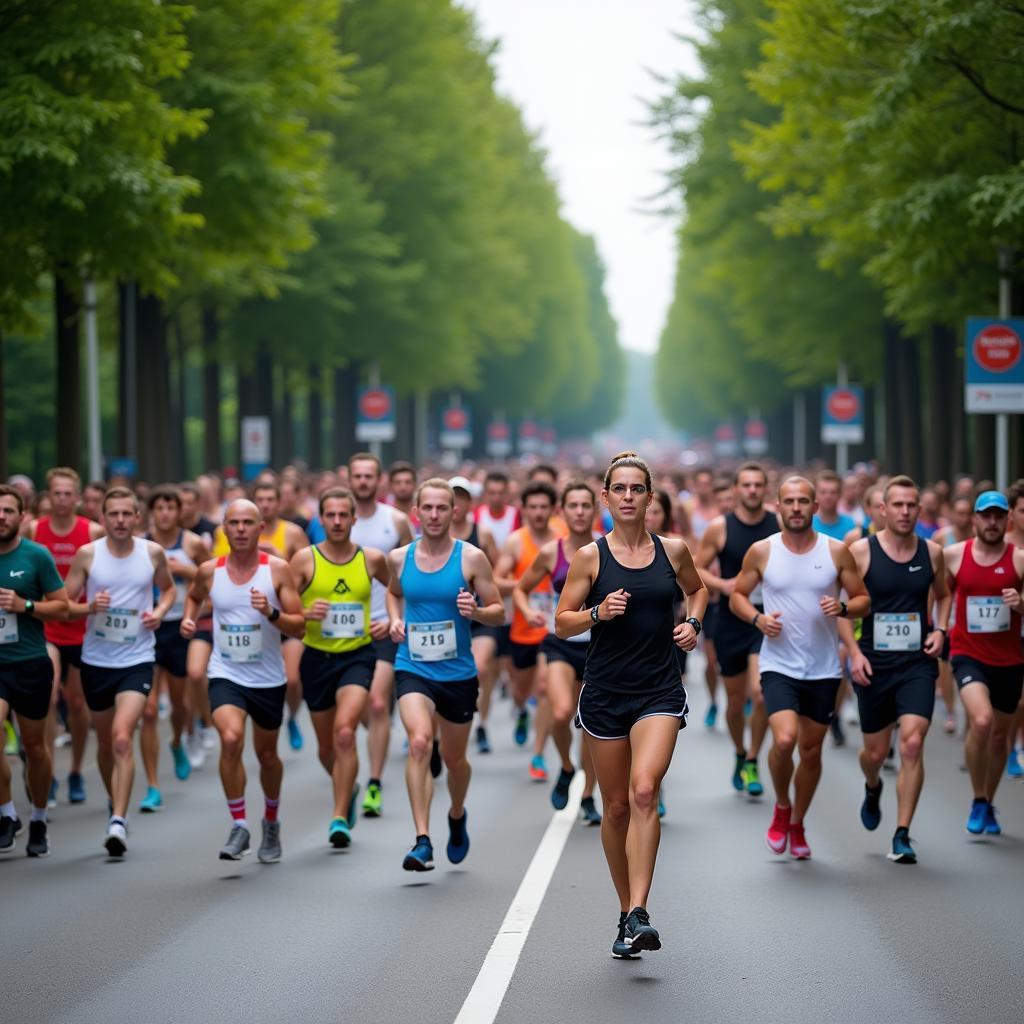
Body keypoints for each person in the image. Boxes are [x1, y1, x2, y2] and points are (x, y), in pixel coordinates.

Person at [556, 452, 706, 957]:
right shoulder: (589, 558)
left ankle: (640, 910)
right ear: (605, 497)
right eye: (618, 489)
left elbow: (698, 591)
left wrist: (693, 624)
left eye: (636, 489)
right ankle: (625, 913)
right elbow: (562, 621)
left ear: (649, 497)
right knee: (615, 806)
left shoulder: (674, 550)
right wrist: (597, 612)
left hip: (659, 689)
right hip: (603, 693)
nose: (626, 496)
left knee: (645, 791)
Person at [731, 476, 869, 860]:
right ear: (779, 506)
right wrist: (758, 621)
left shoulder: (837, 550)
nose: (796, 508)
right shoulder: (763, 551)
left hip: (823, 669)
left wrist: (842, 608)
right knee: (786, 740)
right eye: (789, 501)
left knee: (810, 752)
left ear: (814, 506)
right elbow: (737, 597)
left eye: (802, 501)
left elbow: (862, 600)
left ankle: (798, 822)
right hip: (778, 664)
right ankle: (781, 806)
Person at [386, 478, 504, 871]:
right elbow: (392, 591)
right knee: (420, 742)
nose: (434, 515)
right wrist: (393, 620)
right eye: (428, 508)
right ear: (416, 513)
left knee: (454, 760)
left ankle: (456, 813)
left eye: (442, 508)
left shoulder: (470, 558)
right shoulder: (399, 558)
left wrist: (477, 612)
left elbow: (499, 611)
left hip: (457, 672)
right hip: (412, 666)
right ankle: (422, 839)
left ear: (454, 512)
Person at [181, 499, 305, 862]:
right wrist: (190, 620)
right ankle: (239, 824)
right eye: (233, 523)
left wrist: (270, 612)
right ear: (223, 527)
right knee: (231, 739)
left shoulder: (277, 571)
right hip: (226, 673)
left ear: (260, 527)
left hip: (267, 677)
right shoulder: (209, 570)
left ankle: (270, 820)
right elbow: (194, 597)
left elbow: (299, 625)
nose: (239, 529)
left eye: (247, 523)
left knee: (267, 755)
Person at [840, 476, 950, 863]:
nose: (905, 512)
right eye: (897, 505)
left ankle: (902, 833)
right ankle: (873, 786)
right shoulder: (861, 552)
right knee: (874, 753)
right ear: (882, 510)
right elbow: (841, 607)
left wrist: (940, 628)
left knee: (913, 743)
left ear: (920, 510)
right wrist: (853, 653)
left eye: (911, 505)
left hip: (917, 662)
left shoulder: (933, 552)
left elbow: (944, 593)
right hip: (874, 663)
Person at [64, 487, 177, 856]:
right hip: (97, 660)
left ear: (137, 518)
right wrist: (89, 607)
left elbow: (169, 591)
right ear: (103, 517)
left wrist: (158, 614)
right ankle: (118, 804)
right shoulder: (87, 555)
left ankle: (117, 820)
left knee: (122, 737)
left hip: (137, 658)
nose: (121, 521)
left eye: (127, 514)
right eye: (113, 514)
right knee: (106, 745)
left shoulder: (152, 553)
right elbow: (64, 603)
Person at [289, 487, 390, 849]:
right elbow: (284, 614)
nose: (336, 521)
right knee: (325, 748)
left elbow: (399, 591)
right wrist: (304, 612)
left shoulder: (372, 559)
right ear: (320, 519)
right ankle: (347, 785)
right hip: (316, 657)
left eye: (342, 515)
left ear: (353, 519)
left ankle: (338, 815)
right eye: (329, 515)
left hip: (358, 656)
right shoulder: (303, 561)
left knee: (345, 732)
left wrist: (391, 621)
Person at [513, 481, 601, 824]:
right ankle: (566, 766)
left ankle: (589, 795)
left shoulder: (606, 548)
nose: (579, 512)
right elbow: (521, 590)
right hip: (560, 643)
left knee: (592, 726)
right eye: (572, 506)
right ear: (561, 512)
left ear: (595, 510)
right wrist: (529, 611)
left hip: (599, 645)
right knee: (562, 712)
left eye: (585, 505)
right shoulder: (552, 551)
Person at [338, 454, 414, 820]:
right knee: (360, 712)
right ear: (348, 478)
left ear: (379, 479)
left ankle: (373, 783)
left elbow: (412, 570)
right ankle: (376, 739)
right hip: (343, 631)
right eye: (358, 476)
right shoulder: (336, 521)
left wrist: (399, 617)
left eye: (370, 476)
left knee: (379, 703)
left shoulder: (395, 521)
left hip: (386, 625)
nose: (364, 481)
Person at [944, 491, 1024, 836]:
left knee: (1000, 737)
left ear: (1007, 520)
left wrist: (1020, 603)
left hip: (1009, 659)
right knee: (982, 720)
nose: (991, 523)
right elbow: (940, 594)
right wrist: (936, 629)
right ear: (974, 519)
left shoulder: (1019, 559)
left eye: (997, 517)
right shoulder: (953, 556)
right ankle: (978, 799)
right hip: (967, 653)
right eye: (985, 516)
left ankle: (988, 801)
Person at [696, 463, 779, 796]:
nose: (753, 490)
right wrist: (726, 585)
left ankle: (754, 759)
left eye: (759, 484)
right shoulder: (721, 528)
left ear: (766, 488)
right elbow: (697, 569)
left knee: (759, 694)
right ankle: (740, 752)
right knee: (734, 703)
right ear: (735, 489)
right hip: (730, 619)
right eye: (746, 485)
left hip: (769, 619)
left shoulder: (778, 523)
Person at [0, 485, 69, 858]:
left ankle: (39, 817)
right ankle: (7, 813)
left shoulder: (36, 556)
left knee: (35, 750)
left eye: (8, 511)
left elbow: (62, 607)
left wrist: (24, 604)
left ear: (22, 517)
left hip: (29, 662)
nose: (1, 517)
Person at [30, 467, 104, 805]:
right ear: (48, 497)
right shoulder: (34, 529)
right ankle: (49, 769)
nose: (62, 499)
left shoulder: (92, 531)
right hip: (47, 627)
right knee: (48, 697)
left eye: (67, 493)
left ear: (77, 497)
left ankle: (75, 771)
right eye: (56, 493)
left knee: (77, 703)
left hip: (83, 628)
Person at [139, 485, 210, 811]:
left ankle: (179, 740)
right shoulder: (142, 545)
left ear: (179, 511)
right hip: (148, 628)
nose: (165, 513)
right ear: (151, 512)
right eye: (160, 508)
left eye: (171, 507)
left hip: (182, 625)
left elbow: (213, 577)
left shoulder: (192, 543)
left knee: (180, 704)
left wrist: (188, 571)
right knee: (150, 711)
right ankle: (152, 785)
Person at [494, 481, 560, 778]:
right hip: (523, 625)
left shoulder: (563, 540)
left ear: (552, 509)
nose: (538, 512)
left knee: (544, 686)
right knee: (521, 689)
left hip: (552, 628)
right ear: (523, 509)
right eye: (532, 507)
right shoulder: (516, 542)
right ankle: (521, 710)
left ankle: (538, 754)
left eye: (543, 507)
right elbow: (497, 579)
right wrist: (524, 588)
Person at [448, 477, 500, 754]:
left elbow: (498, 570)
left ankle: (482, 723)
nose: (457, 504)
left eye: (462, 497)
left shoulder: (483, 534)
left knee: (480, 669)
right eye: (452, 498)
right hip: (446, 622)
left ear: (470, 502)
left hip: (479, 618)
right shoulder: (433, 537)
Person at [812, 470, 857, 540]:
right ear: (815, 494)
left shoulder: (850, 525)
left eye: (833, 492)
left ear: (840, 494)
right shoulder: (808, 525)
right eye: (823, 492)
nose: (828, 497)